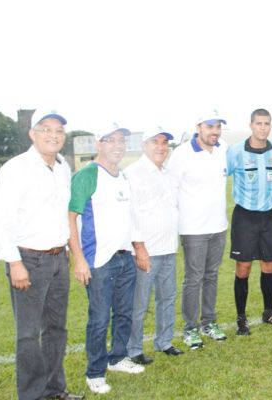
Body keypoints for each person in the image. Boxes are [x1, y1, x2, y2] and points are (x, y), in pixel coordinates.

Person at [0, 110, 83, 400]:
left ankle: (56, 390)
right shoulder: (16, 169)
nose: (53, 135)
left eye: (59, 130)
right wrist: (14, 262)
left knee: (56, 329)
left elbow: (66, 216)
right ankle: (32, 395)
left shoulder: (63, 167)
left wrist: (70, 252)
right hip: (28, 260)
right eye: (46, 129)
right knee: (29, 334)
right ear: (32, 133)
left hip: (58, 259)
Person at [68, 124, 144, 395]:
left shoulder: (122, 176)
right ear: (98, 144)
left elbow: (131, 217)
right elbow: (71, 218)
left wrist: (138, 249)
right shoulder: (87, 175)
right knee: (99, 318)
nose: (117, 145)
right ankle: (95, 371)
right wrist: (78, 259)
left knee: (124, 313)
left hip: (125, 258)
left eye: (121, 140)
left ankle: (118, 357)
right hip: (99, 261)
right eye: (110, 140)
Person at [167, 110, 229, 349]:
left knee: (211, 276)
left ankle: (209, 322)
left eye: (218, 127)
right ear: (199, 127)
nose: (215, 132)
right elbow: (171, 190)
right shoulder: (182, 154)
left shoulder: (222, 148)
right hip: (193, 229)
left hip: (219, 226)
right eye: (210, 126)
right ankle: (190, 328)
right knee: (193, 279)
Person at [227, 109, 272, 335]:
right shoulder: (235, 152)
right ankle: (241, 318)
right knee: (243, 268)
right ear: (251, 125)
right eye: (259, 124)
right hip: (245, 216)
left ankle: (269, 312)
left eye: (267, 124)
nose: (263, 128)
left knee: (269, 264)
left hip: (269, 215)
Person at [125, 128, 183, 365]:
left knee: (167, 298)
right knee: (139, 304)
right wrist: (140, 248)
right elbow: (130, 215)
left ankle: (164, 341)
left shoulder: (168, 174)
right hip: (146, 252)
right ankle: (133, 348)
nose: (161, 147)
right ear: (144, 145)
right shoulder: (132, 174)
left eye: (165, 143)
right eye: (155, 142)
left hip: (168, 249)